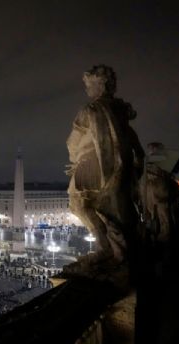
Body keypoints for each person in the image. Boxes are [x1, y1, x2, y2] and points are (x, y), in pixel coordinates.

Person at [65, 65, 145, 268]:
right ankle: (114, 246)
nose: (86, 90)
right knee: (106, 206)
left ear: (99, 85)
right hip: (116, 165)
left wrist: (74, 159)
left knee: (79, 204)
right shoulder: (119, 111)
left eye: (88, 85)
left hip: (91, 164)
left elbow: (73, 141)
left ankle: (105, 248)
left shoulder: (90, 110)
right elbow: (132, 140)